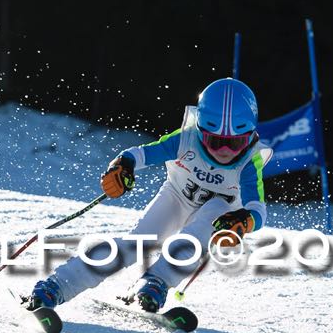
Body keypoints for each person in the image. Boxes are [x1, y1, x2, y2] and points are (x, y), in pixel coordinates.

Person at [26, 78, 273, 314]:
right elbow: (139, 155)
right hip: (177, 197)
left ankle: (157, 282)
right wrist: (122, 166)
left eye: (236, 142)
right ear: (199, 130)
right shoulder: (185, 140)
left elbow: (257, 209)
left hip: (221, 211)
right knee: (135, 244)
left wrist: (244, 221)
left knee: (195, 237)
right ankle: (57, 286)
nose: (225, 151)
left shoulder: (250, 161)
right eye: (214, 141)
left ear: (251, 136)